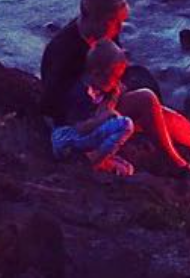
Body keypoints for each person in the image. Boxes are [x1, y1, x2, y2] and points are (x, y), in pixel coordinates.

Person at [40, 0, 190, 175]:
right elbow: (51, 103)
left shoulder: (103, 34)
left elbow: (115, 68)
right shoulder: (65, 50)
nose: (119, 29)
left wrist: (115, 89)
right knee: (146, 99)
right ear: (98, 19)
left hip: (100, 100)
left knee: (158, 110)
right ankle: (180, 166)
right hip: (77, 119)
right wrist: (100, 112)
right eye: (116, 23)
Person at [49, 39, 137, 177]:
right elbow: (80, 128)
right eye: (114, 77)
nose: (117, 83)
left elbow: (114, 97)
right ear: (96, 74)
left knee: (128, 169)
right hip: (66, 138)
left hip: (80, 139)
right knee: (126, 125)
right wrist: (103, 117)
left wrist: (113, 95)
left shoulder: (101, 89)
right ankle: (94, 161)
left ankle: (94, 157)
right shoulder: (81, 93)